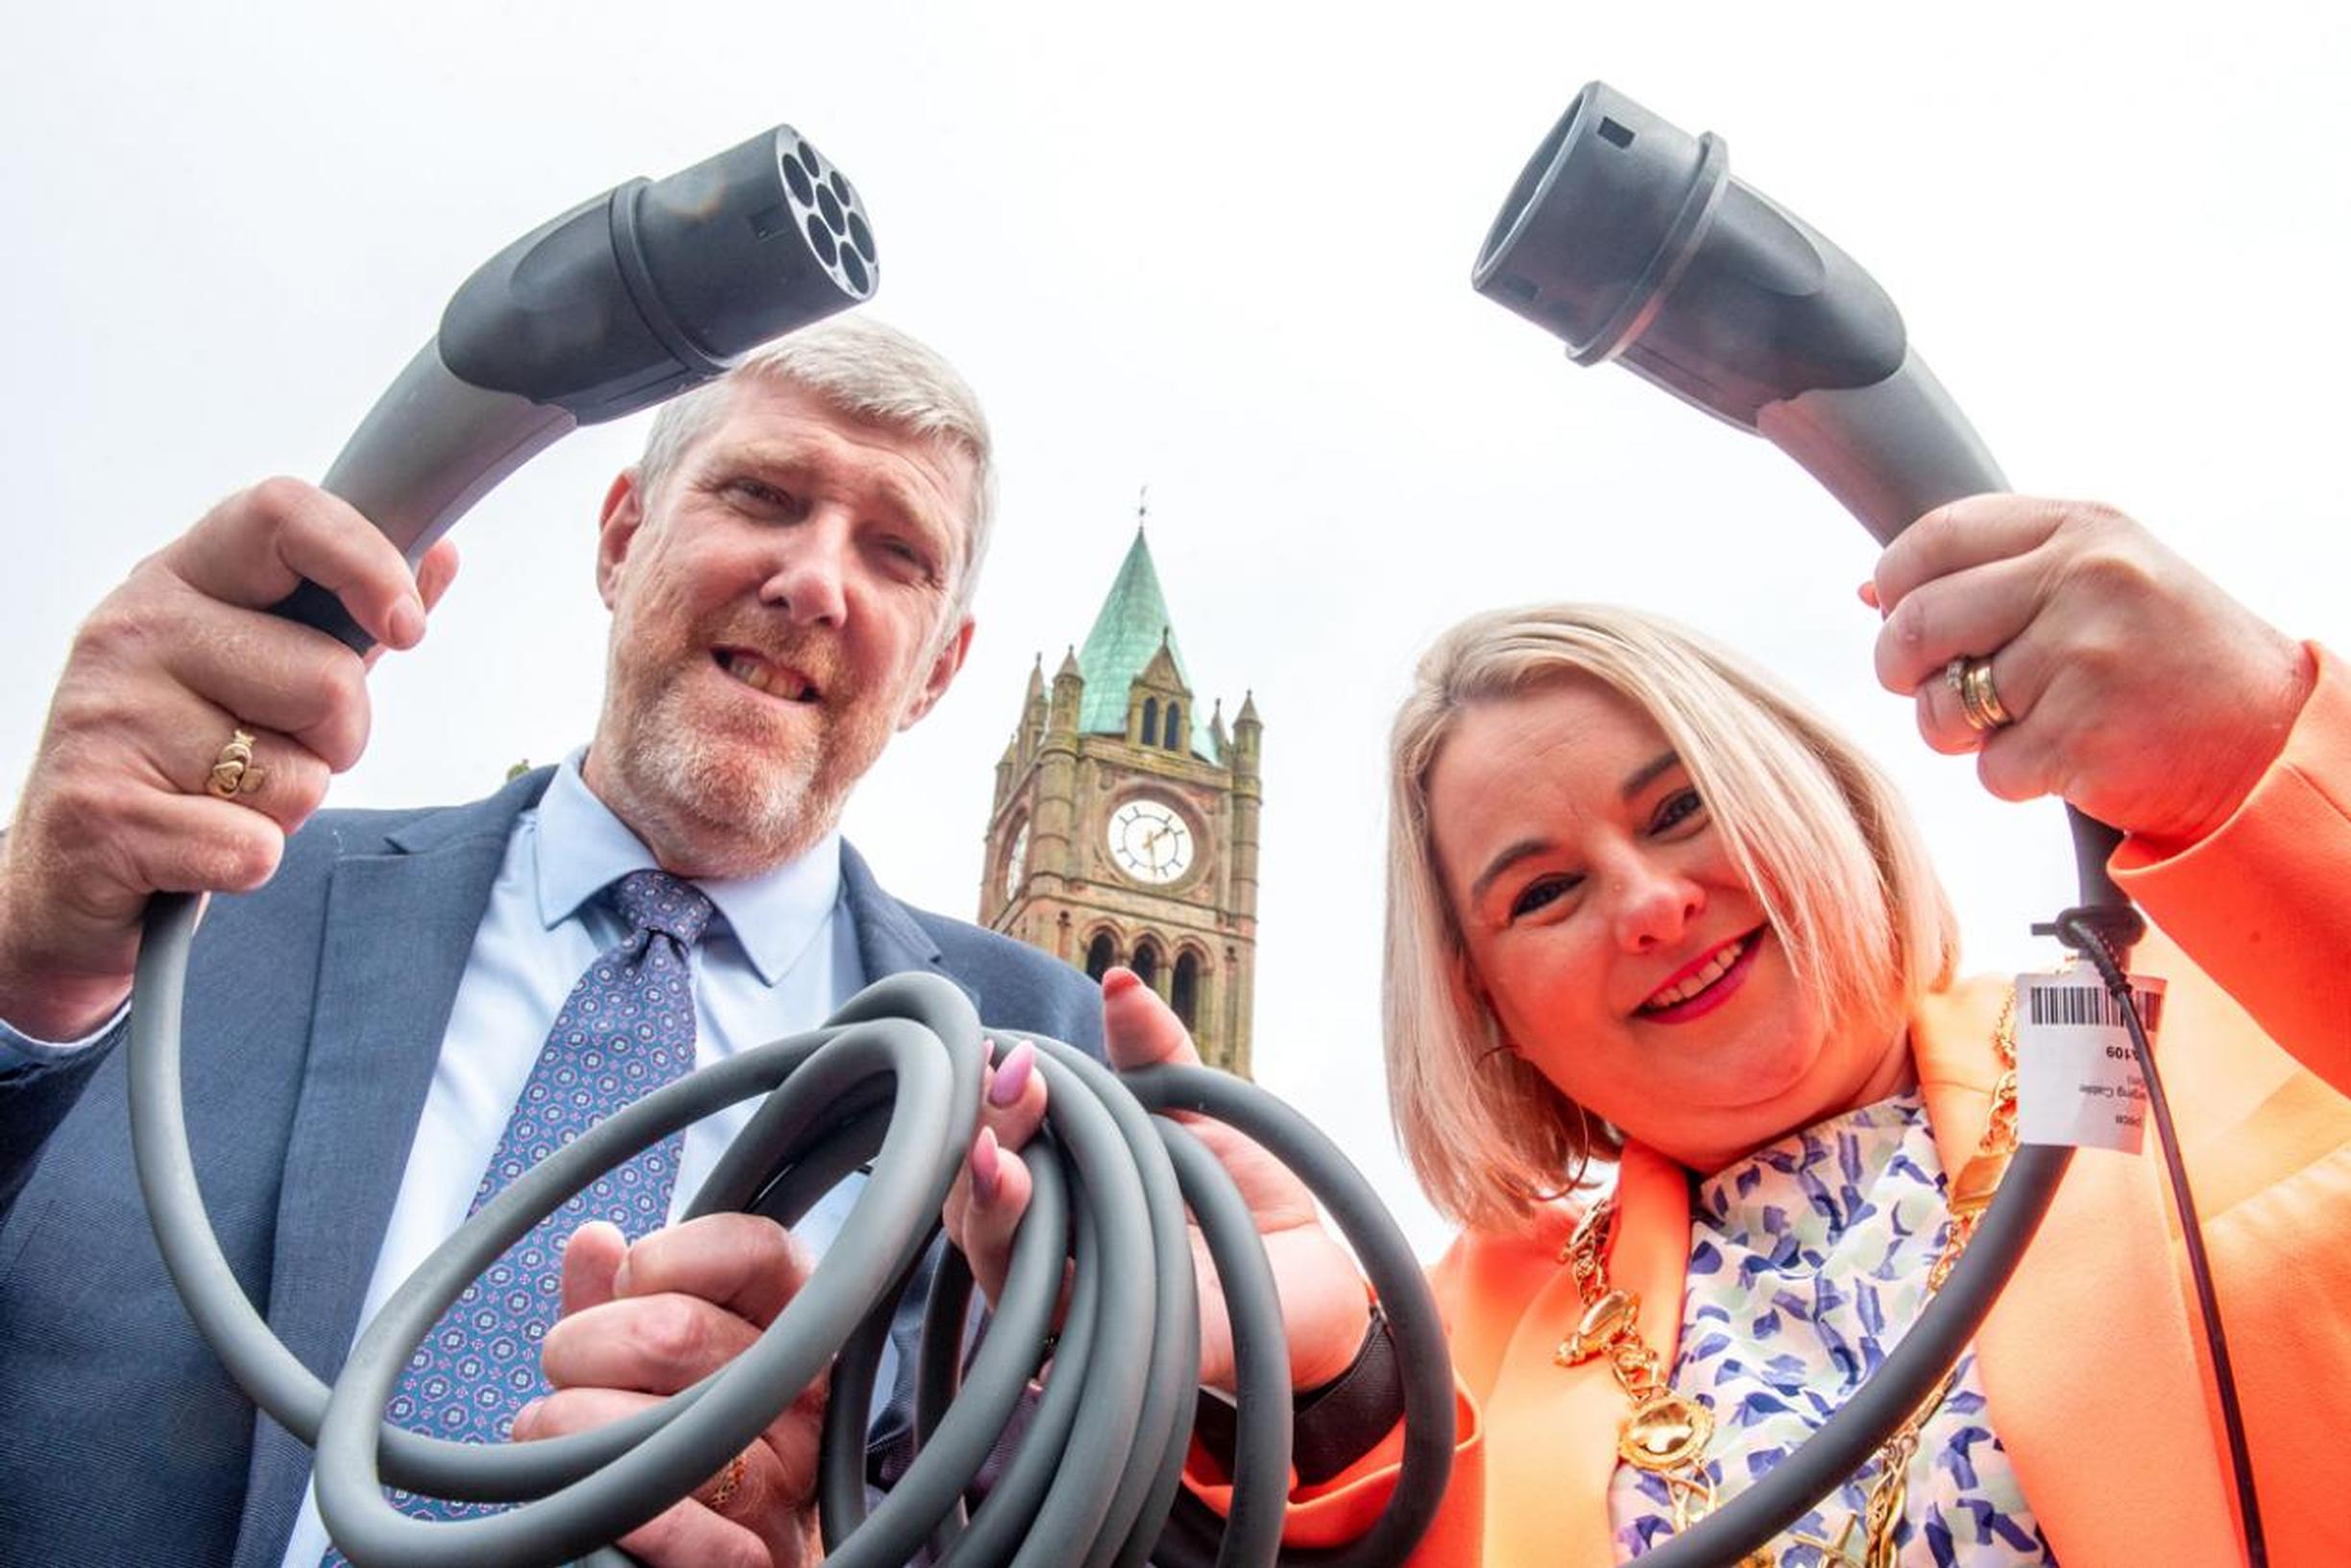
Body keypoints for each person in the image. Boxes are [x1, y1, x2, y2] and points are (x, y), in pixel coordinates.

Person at [955, 495, 2351, 1564]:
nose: (1647, 902)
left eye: (1682, 806)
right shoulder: (1463, 1331)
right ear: (1485, 1009)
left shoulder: (2161, 1023)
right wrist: (1318, 1387)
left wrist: (2259, 745)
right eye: (1544, 889)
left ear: (1815, 795)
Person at [0, 316, 1094, 1568]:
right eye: (762, 494)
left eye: (894, 552)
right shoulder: (224, 887)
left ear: (939, 670)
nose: (813, 581)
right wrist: (29, 945)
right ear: (622, 536)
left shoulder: (1043, 1050)